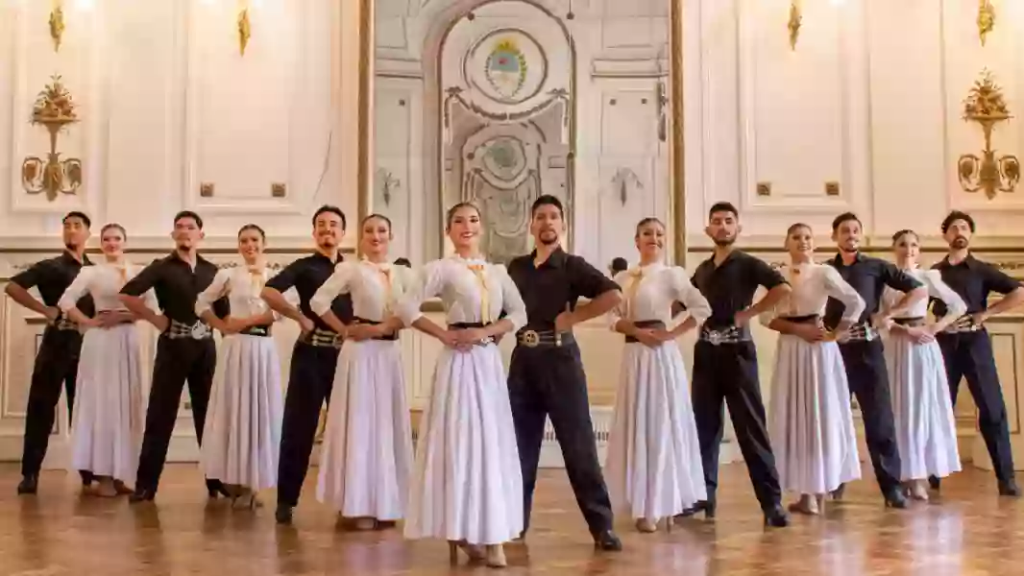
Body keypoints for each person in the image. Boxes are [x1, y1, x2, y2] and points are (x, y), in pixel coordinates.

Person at [397, 202, 525, 569]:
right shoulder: (440, 269)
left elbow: (519, 314)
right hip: (457, 363)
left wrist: (487, 331)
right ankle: (460, 528)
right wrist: (443, 334)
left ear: (481, 227)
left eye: (472, 220)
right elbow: (406, 307)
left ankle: (494, 535)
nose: (466, 226)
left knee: (491, 444)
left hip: (488, 363)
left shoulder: (498, 271)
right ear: (448, 230)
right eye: (458, 221)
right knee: (460, 440)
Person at [506, 195, 624, 550]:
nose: (547, 222)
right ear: (531, 225)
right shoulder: (516, 268)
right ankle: (514, 523)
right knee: (519, 448)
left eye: (554, 216)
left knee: (579, 446)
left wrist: (575, 317)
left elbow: (613, 295)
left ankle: (602, 526)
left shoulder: (573, 266)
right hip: (523, 363)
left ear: (563, 225)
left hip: (561, 362)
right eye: (541, 216)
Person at [682, 201, 790, 527]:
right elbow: (683, 301)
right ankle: (703, 496)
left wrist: (749, 313)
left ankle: (771, 503)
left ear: (737, 227)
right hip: (706, 353)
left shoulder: (748, 263)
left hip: (738, 352)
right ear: (708, 229)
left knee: (750, 427)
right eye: (717, 221)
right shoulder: (702, 270)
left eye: (728, 221)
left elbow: (781, 288)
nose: (723, 226)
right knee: (704, 427)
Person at [605, 217, 711, 533]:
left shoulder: (672, 274)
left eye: (659, 233)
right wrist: (635, 330)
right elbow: (612, 317)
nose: (654, 237)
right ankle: (642, 501)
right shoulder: (623, 277)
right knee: (637, 423)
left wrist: (670, 334)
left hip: (660, 358)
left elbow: (701, 308)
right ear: (636, 241)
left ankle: (661, 502)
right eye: (647, 233)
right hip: (633, 357)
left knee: (661, 423)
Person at [312, 214, 414, 530]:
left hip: (390, 354)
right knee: (361, 424)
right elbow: (318, 302)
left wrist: (384, 327)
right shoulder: (351, 269)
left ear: (391, 235)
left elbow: (412, 310)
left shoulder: (404, 274)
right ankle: (357, 505)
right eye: (369, 230)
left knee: (386, 424)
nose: (375, 235)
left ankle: (387, 503)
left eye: (382, 230)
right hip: (360, 355)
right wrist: (344, 329)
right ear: (361, 237)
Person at [120, 210, 230, 503]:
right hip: (172, 347)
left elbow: (224, 315)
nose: (184, 231)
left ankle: (216, 480)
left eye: (190, 227)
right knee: (160, 413)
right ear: (173, 234)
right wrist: (156, 319)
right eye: (179, 227)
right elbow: (127, 295)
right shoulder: (161, 267)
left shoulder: (213, 271)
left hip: (205, 348)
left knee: (208, 415)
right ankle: (146, 485)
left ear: (200, 235)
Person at [825, 212, 926, 509]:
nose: (851, 235)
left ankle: (891, 488)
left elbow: (918, 289)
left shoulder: (876, 266)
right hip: (835, 352)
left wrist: (887, 314)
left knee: (879, 418)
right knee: (834, 417)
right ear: (835, 236)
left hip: (869, 349)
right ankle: (833, 482)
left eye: (855, 230)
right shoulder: (825, 270)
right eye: (845, 230)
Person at [261, 205, 353, 524]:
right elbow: (269, 291)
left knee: (349, 429)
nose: (328, 229)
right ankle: (286, 500)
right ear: (314, 232)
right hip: (310, 356)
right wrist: (299, 316)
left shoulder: (354, 269)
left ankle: (351, 500)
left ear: (343, 233)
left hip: (346, 356)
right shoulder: (303, 267)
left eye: (334, 224)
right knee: (299, 428)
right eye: (321, 224)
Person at [762, 223, 863, 515]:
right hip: (791, 347)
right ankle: (806, 494)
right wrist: (798, 329)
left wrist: (838, 331)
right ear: (787, 243)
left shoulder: (824, 272)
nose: (802, 241)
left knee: (819, 412)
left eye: (807, 237)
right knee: (796, 413)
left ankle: (820, 488)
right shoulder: (776, 274)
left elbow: (856, 301)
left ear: (814, 243)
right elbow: (765, 317)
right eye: (796, 237)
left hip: (819, 349)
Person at [195, 224, 288, 510]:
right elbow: (201, 303)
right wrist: (221, 325)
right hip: (235, 349)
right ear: (238, 245)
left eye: (255, 240)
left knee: (259, 411)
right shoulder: (228, 275)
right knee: (235, 409)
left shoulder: (276, 277)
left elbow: (281, 312)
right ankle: (235, 481)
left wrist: (245, 322)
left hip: (263, 349)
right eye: (244, 240)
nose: (250, 245)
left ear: (264, 243)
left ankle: (253, 483)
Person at [932, 210, 1024, 496]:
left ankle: (1006, 479)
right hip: (943, 344)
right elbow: (914, 301)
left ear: (970, 234)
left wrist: (985, 314)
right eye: (954, 227)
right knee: (938, 408)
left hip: (975, 343)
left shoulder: (982, 269)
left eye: (964, 227)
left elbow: (1019, 292)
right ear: (945, 235)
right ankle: (932, 476)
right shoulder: (934, 272)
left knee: (992, 408)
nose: (959, 231)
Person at [57, 223, 151, 497]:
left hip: (128, 340)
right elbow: (65, 301)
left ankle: (121, 473)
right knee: (102, 403)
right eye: (107, 239)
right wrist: (88, 322)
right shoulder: (91, 272)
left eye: (117, 238)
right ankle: (103, 475)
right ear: (101, 244)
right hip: (100, 342)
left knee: (126, 403)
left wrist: (124, 316)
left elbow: (152, 308)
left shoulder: (139, 272)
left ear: (125, 242)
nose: (112, 243)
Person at [6, 211, 96, 495]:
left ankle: (89, 473)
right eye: (67, 226)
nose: (71, 230)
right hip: (55, 344)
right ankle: (30, 474)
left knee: (84, 410)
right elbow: (12, 286)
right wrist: (45, 310)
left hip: (86, 346)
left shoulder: (95, 271)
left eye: (77, 226)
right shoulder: (50, 266)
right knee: (41, 408)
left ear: (87, 233)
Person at [882, 229, 965, 501]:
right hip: (896, 345)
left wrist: (933, 328)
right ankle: (902, 474)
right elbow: (880, 317)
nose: (908, 249)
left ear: (919, 250)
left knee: (920, 407)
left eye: (913, 245)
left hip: (922, 348)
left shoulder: (928, 277)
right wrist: (905, 330)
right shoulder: (885, 279)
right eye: (903, 244)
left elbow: (958, 306)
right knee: (898, 408)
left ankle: (918, 476)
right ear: (894, 248)